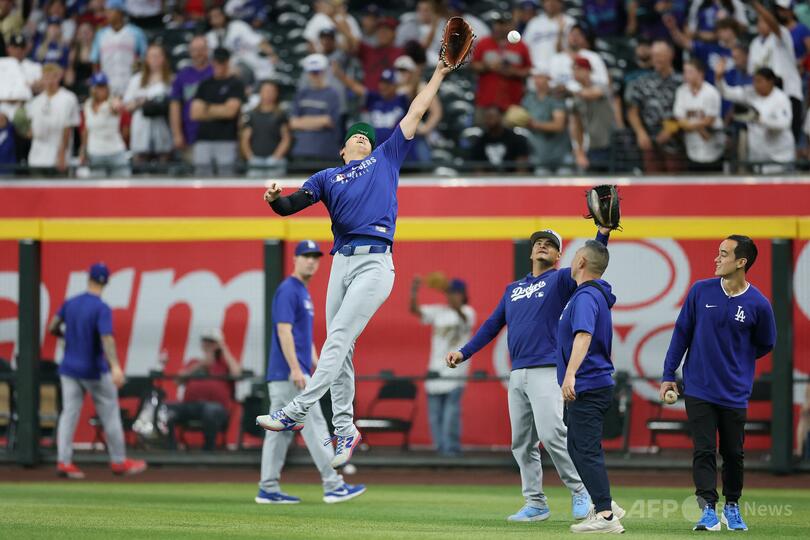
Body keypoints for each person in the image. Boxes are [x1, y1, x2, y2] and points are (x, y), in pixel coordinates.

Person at [257, 61, 455, 470]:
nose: (363, 138)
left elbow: (416, 110)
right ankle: (345, 428)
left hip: (375, 264)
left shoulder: (386, 157)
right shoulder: (327, 177)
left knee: (337, 339)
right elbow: (290, 206)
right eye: (356, 136)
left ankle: (296, 410)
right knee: (341, 347)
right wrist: (275, 199)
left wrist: (438, 73)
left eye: (367, 136)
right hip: (342, 263)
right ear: (343, 149)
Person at [445, 227, 612, 523]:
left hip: (547, 368)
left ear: (560, 256)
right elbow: (492, 325)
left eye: (550, 244)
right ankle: (535, 503)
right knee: (521, 443)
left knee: (552, 433)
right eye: (538, 243)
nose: (543, 246)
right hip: (518, 371)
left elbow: (591, 262)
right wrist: (464, 352)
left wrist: (602, 235)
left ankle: (581, 491)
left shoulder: (560, 279)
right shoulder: (513, 289)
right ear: (531, 251)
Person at [660, 235, 776, 532]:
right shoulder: (700, 291)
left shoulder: (759, 304)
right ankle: (708, 510)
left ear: (741, 262)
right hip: (698, 387)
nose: (717, 258)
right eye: (718, 252)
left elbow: (765, 343)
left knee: (734, 453)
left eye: (724, 254)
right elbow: (681, 334)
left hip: (735, 392)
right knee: (704, 449)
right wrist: (668, 375)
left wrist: (737, 362)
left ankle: (732, 506)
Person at [257, 240, 366, 505]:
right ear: (294, 259)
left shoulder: (302, 292)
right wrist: (296, 368)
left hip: (291, 373)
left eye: (315, 257)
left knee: (278, 434)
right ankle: (333, 485)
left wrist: (320, 364)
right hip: (290, 374)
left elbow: (303, 337)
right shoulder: (289, 289)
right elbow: (284, 331)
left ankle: (268, 488)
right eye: (305, 256)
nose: (311, 261)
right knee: (315, 426)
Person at [47, 262, 147, 479]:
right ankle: (119, 461)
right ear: (106, 282)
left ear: (88, 278)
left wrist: (66, 337)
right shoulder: (101, 308)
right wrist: (116, 366)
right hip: (93, 370)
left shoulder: (71, 303)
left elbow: (53, 326)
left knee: (68, 414)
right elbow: (106, 338)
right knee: (110, 414)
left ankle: (64, 461)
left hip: (69, 368)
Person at [558, 240, 625, 534]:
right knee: (577, 448)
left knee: (585, 450)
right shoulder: (588, 294)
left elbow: (583, 335)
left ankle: (606, 515)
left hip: (587, 383)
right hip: (589, 383)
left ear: (582, 262)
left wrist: (570, 374)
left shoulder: (586, 296)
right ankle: (604, 502)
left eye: (575, 256)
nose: (571, 260)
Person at [410, 276, 475, 457]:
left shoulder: (468, 312)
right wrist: (414, 291)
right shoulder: (439, 311)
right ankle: (440, 451)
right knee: (434, 415)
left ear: (462, 295)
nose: (451, 296)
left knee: (451, 414)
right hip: (435, 369)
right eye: (449, 293)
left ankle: (451, 450)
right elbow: (415, 310)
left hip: (456, 370)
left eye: (454, 293)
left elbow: (464, 317)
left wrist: (450, 295)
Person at [167, 328, 241, 451]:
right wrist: (199, 365)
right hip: (191, 405)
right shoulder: (194, 362)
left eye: (212, 342)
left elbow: (236, 374)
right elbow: (177, 381)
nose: (208, 344)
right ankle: (171, 447)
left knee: (210, 410)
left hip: (216, 407)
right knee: (165, 409)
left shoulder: (225, 364)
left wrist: (224, 349)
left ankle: (208, 449)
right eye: (205, 341)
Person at [715, 61, 795, 173]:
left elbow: (784, 123)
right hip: (758, 156)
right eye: (754, 80)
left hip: (779, 157)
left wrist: (759, 119)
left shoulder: (781, 99)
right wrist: (719, 78)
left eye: (759, 81)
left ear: (770, 82)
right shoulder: (750, 93)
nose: (755, 84)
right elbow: (726, 93)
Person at [749, 0, 803, 143]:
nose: (762, 24)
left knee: (789, 137)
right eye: (760, 21)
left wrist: (755, 4)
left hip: (789, 92)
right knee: (769, 138)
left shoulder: (782, 33)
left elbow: (774, 25)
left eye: (765, 20)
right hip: (771, 94)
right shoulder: (756, 44)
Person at [626, 40, 684, 173]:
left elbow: (685, 111)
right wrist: (640, 133)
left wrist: (670, 129)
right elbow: (632, 110)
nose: (656, 59)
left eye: (659, 55)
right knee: (652, 180)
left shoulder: (681, 82)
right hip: (649, 143)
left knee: (675, 181)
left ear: (670, 55)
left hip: (676, 143)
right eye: (653, 55)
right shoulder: (642, 82)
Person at [189, 47, 245, 176]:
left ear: (227, 62)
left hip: (226, 139)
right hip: (203, 139)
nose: (218, 65)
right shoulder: (205, 84)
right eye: (216, 61)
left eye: (222, 62)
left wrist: (207, 108)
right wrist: (221, 109)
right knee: (201, 176)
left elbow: (230, 112)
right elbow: (195, 113)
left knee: (227, 176)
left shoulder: (235, 84)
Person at [470, 12, 532, 114]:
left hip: (512, 102)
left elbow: (529, 70)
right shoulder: (484, 43)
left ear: (511, 26)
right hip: (486, 100)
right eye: (498, 23)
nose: (500, 27)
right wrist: (488, 66)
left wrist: (514, 72)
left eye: (504, 24)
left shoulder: (521, 46)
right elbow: (473, 65)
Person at [123, 44, 173, 165]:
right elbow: (127, 106)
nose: (154, 59)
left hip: (162, 125)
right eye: (151, 56)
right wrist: (141, 102)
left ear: (163, 58)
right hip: (141, 126)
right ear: (146, 59)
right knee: (140, 160)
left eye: (157, 56)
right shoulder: (136, 79)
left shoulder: (170, 79)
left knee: (163, 161)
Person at [673, 59, 725, 172]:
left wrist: (689, 125)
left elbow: (709, 120)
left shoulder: (711, 92)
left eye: (690, 72)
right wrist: (697, 126)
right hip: (691, 149)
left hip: (713, 147)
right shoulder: (681, 91)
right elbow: (679, 118)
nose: (686, 75)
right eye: (685, 72)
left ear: (700, 73)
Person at [333, 67, 408, 147]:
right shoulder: (375, 98)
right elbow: (356, 88)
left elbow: (412, 89)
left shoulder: (402, 99)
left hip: (397, 146)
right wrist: (341, 76)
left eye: (387, 84)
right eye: (382, 83)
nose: (383, 86)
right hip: (377, 146)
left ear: (395, 86)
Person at [26, 63, 80, 172]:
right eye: (46, 76)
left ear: (59, 77)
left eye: (53, 76)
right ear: (42, 78)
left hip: (58, 158)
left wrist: (62, 154)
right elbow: (30, 130)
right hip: (36, 156)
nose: (50, 80)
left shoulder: (69, 98)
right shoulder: (35, 102)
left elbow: (68, 128)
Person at [288, 53, 341, 164]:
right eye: (312, 72)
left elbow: (329, 121)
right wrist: (319, 121)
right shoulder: (301, 94)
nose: (315, 75)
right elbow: (293, 123)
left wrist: (303, 121)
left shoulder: (332, 94)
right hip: (301, 152)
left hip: (325, 152)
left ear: (325, 72)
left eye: (318, 72)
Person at [205, 6, 277, 85]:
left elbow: (258, 41)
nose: (217, 18)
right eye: (214, 16)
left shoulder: (238, 26)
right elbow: (211, 60)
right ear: (210, 20)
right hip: (229, 68)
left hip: (250, 62)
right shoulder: (209, 37)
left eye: (219, 14)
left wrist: (272, 54)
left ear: (224, 15)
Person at [90, 0, 147, 96]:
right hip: (107, 85)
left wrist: (138, 78)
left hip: (130, 83)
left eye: (110, 10)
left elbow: (144, 57)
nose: (107, 14)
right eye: (106, 11)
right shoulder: (100, 34)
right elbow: (94, 60)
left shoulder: (136, 32)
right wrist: (98, 84)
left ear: (120, 12)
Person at [169, 35, 213, 160]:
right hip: (190, 135)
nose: (198, 53)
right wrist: (177, 134)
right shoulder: (182, 75)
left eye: (202, 49)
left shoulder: (215, 72)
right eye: (195, 50)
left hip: (215, 134)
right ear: (189, 52)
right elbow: (175, 106)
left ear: (208, 50)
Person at [570, 57, 616, 172]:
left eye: (579, 69)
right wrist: (580, 151)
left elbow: (592, 94)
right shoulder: (577, 97)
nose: (575, 73)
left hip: (612, 142)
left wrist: (570, 90)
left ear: (588, 70)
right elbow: (577, 126)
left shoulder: (601, 86)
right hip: (593, 146)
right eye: (573, 70)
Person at [521, 69, 570, 174]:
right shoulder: (529, 98)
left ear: (548, 79)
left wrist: (535, 124)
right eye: (536, 77)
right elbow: (522, 119)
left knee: (565, 178)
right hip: (538, 154)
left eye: (541, 77)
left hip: (560, 154)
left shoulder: (556, 97)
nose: (537, 81)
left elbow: (559, 125)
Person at [80, 72, 129, 176]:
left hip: (115, 151)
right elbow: (86, 130)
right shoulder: (87, 104)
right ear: (92, 88)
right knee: (97, 184)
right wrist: (83, 150)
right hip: (95, 151)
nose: (100, 90)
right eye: (97, 87)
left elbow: (116, 107)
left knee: (122, 183)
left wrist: (116, 105)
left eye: (103, 87)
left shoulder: (111, 101)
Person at [241, 80, 290, 177]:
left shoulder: (281, 114)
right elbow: (245, 138)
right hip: (255, 160)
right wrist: (250, 157)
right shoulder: (251, 114)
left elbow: (286, 138)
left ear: (276, 93)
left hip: (275, 160)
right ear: (260, 93)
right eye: (266, 91)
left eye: (272, 91)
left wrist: (276, 157)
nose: (269, 94)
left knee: (275, 186)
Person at [470, 106, 530, 173]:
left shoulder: (516, 139)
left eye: (491, 117)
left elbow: (522, 169)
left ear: (501, 117)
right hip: (487, 179)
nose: (488, 120)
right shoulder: (480, 141)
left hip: (512, 178)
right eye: (486, 117)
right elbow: (477, 169)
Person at [522, 0, 575, 71]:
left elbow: (574, 49)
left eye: (554, 1)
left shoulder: (569, 22)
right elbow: (525, 46)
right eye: (547, 1)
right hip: (536, 70)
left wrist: (560, 32)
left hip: (560, 70)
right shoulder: (534, 22)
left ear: (561, 3)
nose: (550, 3)